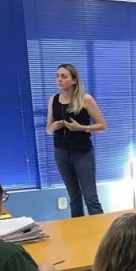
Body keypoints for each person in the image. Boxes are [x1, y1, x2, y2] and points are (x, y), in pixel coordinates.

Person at [46, 63, 106, 217]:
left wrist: (81, 128)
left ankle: (102, 230)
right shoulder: (53, 100)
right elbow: (48, 130)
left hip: (82, 153)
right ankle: (78, 230)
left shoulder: (85, 99)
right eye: (57, 76)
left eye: (63, 76)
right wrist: (55, 126)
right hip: (61, 153)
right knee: (74, 198)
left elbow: (102, 126)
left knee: (91, 198)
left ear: (74, 80)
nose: (59, 79)